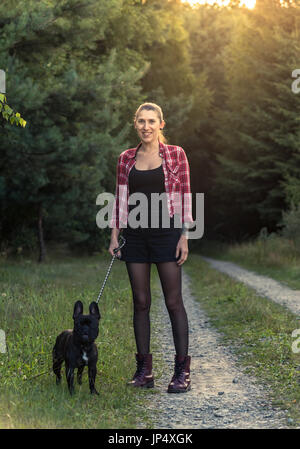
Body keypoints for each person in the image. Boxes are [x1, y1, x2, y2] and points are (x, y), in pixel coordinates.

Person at [108, 102, 194, 393]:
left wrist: (184, 235)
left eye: (151, 121)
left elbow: (184, 195)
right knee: (141, 302)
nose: (146, 126)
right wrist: (114, 235)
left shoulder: (175, 155)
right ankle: (144, 371)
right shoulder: (125, 159)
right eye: (141, 121)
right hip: (135, 236)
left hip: (167, 234)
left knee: (173, 302)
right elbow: (120, 199)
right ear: (136, 124)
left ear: (161, 124)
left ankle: (182, 371)